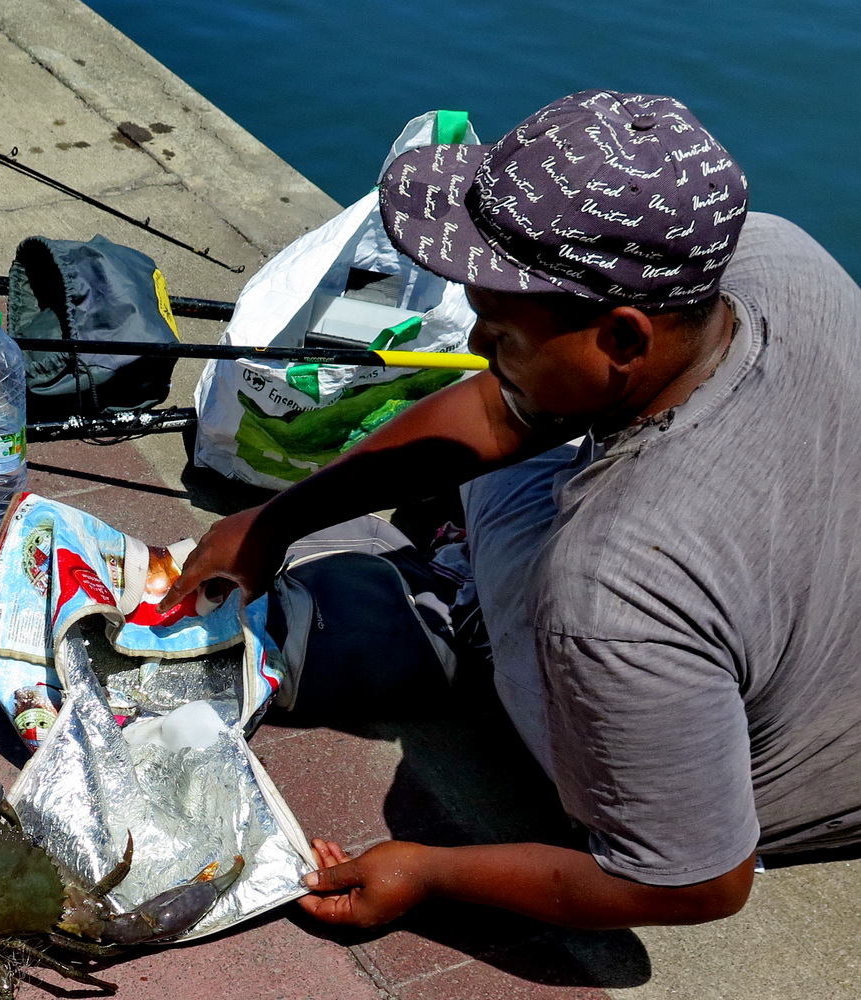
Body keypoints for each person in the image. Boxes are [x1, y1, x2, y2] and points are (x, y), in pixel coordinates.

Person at [163, 90, 861, 931]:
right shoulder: (766, 255)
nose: (473, 347)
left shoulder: (610, 591)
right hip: (817, 639)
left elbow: (696, 882)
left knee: (502, 497)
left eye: (499, 328)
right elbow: (498, 408)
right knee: (510, 438)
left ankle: (468, 617)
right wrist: (272, 521)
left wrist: (427, 874)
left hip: (759, 789)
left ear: (625, 339)